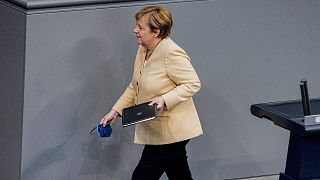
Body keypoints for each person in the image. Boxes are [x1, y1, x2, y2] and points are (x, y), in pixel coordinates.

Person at [100, 5, 203, 180]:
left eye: (141, 28)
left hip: (171, 130)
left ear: (156, 32)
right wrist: (116, 111)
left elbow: (193, 83)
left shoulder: (171, 52)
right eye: (136, 26)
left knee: (141, 177)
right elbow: (135, 86)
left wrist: (164, 98)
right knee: (179, 174)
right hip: (160, 129)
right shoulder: (144, 50)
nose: (135, 30)